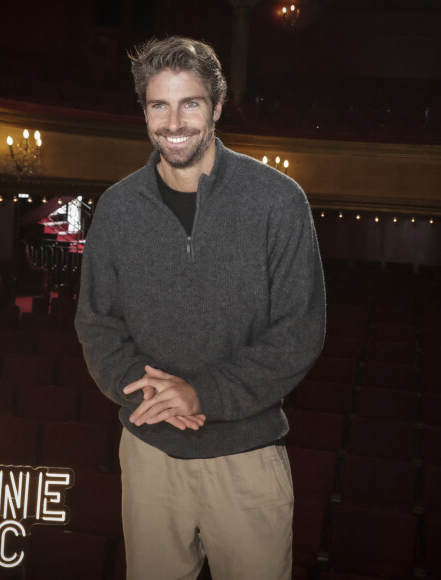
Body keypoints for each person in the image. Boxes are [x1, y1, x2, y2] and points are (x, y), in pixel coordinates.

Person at [76, 36, 325, 580]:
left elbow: (298, 332)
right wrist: (152, 395)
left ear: (215, 106)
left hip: (246, 456)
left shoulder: (277, 201)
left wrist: (201, 393)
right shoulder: (117, 208)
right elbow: (97, 324)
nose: (173, 122)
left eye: (189, 103)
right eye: (158, 105)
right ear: (143, 110)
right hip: (148, 454)